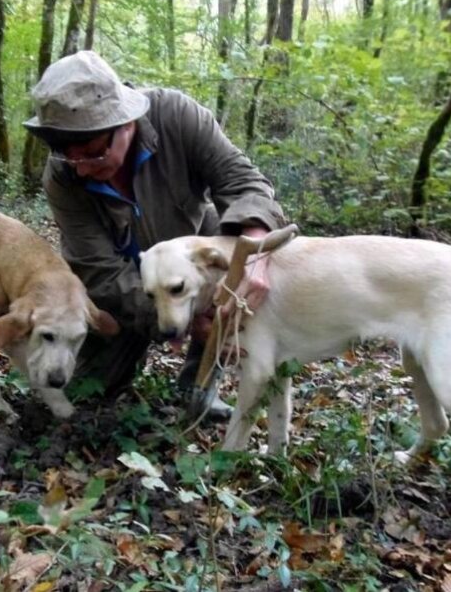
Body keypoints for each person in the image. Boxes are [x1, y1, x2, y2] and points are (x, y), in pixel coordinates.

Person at [23, 50, 287, 419]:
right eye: (70, 156)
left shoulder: (178, 117)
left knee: (220, 244)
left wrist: (254, 254)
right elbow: (99, 270)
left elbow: (244, 183)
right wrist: (175, 318)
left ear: (125, 123)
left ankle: (199, 381)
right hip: (123, 287)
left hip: (190, 263)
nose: (81, 169)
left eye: (93, 153)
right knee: (87, 390)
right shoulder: (62, 175)